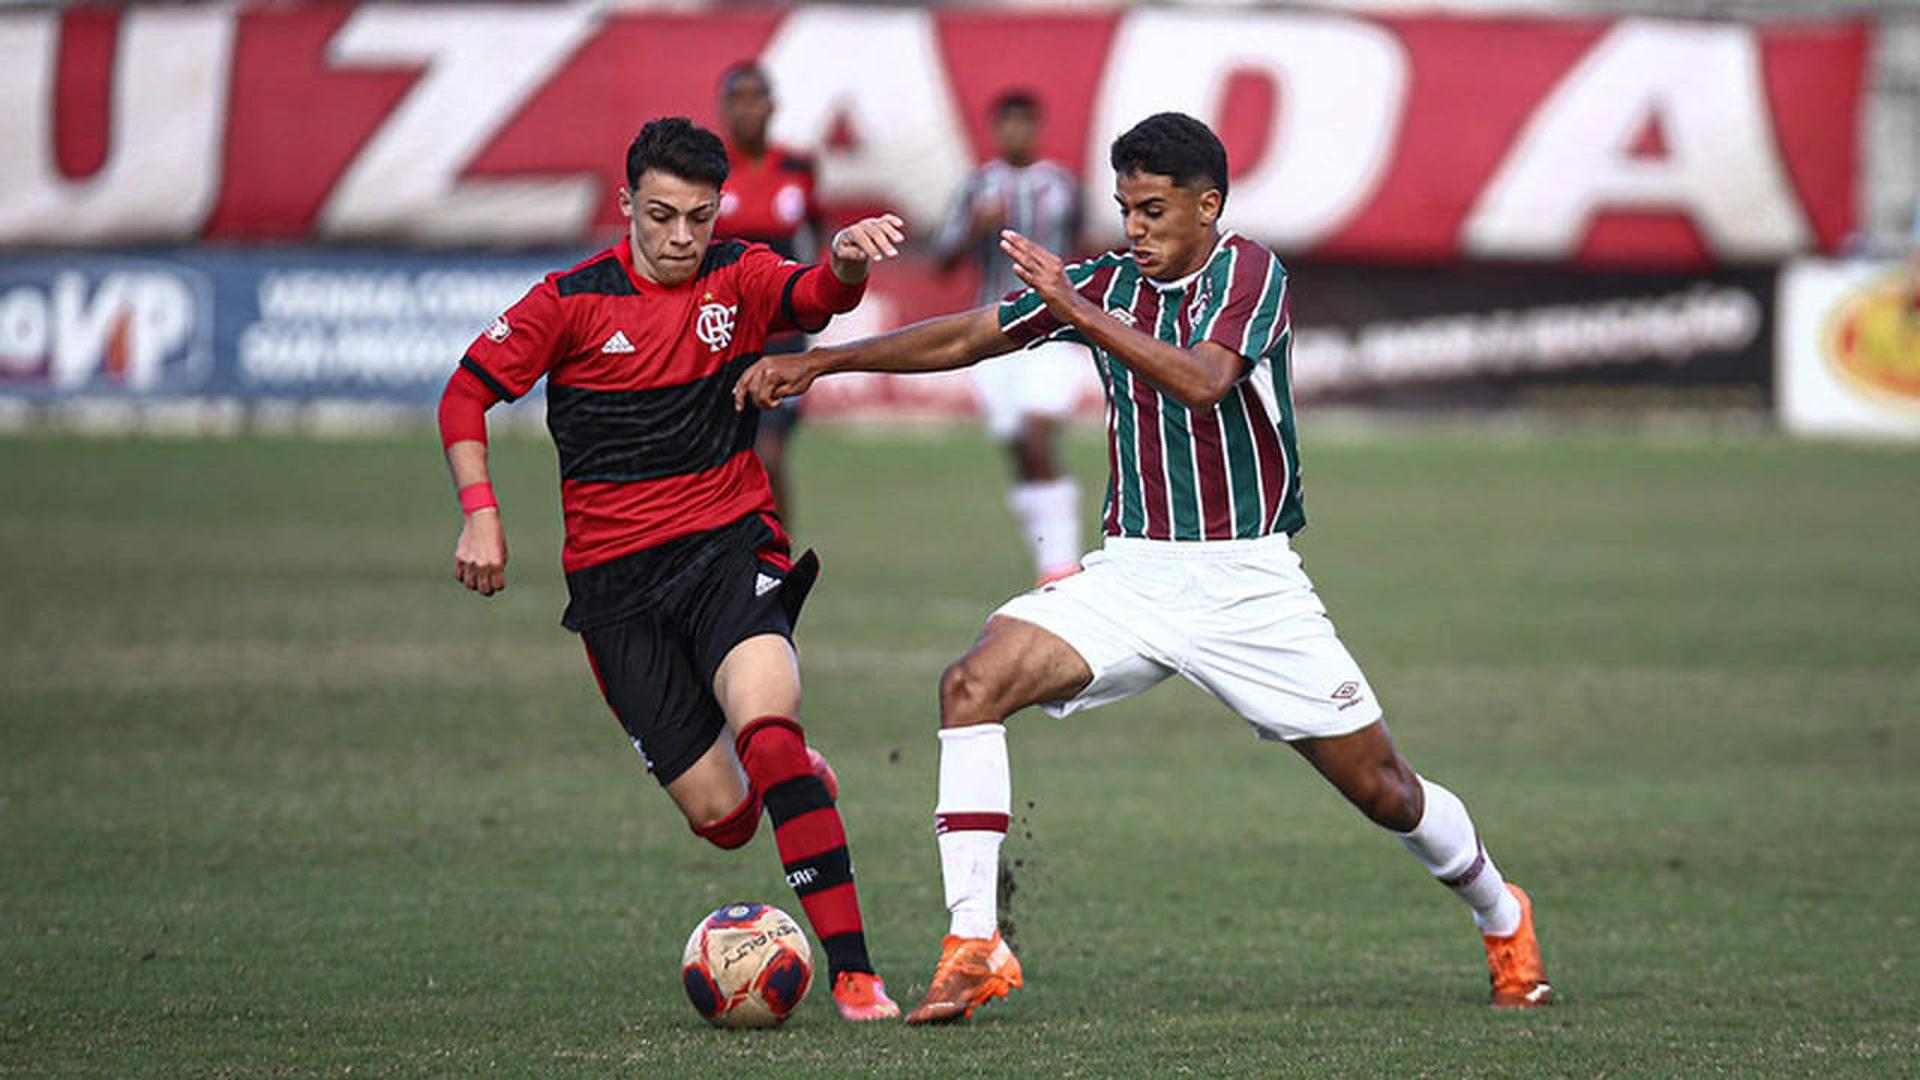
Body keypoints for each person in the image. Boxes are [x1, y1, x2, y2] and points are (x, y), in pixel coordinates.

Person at [737, 112, 1552, 1024]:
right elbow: (969, 338)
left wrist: (1078, 311)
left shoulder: (1250, 272)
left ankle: (1499, 909)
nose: (1136, 229)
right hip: (1133, 575)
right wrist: (823, 362)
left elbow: (1204, 379)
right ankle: (973, 944)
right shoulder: (1109, 281)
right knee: (971, 684)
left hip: (1250, 584)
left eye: (1155, 210)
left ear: (1208, 207)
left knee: (1385, 791)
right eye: (1126, 209)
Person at [438, 116, 906, 1022]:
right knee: (725, 821)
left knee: (767, 733)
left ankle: (855, 974)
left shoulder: (740, 273)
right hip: (616, 592)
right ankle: (793, 773)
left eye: (699, 216)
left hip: (728, 548)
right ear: (626, 207)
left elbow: (817, 300)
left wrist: (847, 259)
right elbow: (466, 392)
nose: (682, 237)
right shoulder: (567, 302)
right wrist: (482, 517)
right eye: (661, 217)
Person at [931, 89, 1087, 584]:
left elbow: (1082, 247)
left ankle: (1061, 565)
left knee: (1038, 437)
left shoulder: (1063, 186)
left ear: (1037, 129)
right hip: (995, 336)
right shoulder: (977, 188)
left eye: (1026, 124)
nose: (1017, 133)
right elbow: (943, 260)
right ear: (995, 131)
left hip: (1053, 331)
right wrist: (976, 230)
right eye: (1008, 125)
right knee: (1019, 445)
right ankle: (1048, 555)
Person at [714, 61, 823, 523]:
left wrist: (820, 290)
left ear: (772, 105)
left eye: (755, 98)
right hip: (719, 332)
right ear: (723, 109)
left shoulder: (799, 168)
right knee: (721, 462)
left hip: (780, 333)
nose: (747, 110)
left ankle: (778, 561)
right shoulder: (709, 169)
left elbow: (818, 228)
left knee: (769, 455)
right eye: (738, 99)